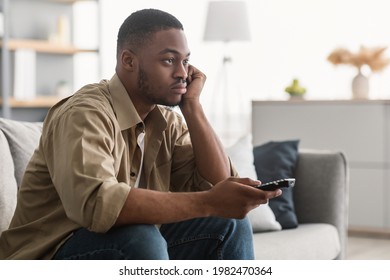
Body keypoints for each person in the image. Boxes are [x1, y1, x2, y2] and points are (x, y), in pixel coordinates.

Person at [0, 8, 281, 260]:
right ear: (129, 61)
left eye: (186, 62)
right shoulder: (85, 113)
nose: (183, 73)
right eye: (169, 60)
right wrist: (209, 202)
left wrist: (193, 108)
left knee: (229, 224)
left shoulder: (167, 121)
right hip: (50, 253)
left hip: (127, 244)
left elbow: (218, 184)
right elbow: (97, 203)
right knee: (139, 236)